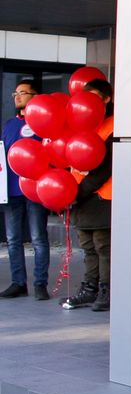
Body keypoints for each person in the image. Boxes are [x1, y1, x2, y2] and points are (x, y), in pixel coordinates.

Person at [61, 79, 115, 311]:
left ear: (106, 99)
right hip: (80, 198)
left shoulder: (114, 126)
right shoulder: (80, 125)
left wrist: (77, 193)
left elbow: (106, 168)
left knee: (103, 247)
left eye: (94, 96)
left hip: (102, 197)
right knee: (88, 247)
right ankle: (89, 289)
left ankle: (107, 290)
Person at [2, 80, 50, 300]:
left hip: (35, 190)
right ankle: (18, 282)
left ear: (35, 96)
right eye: (15, 93)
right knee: (13, 239)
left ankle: (40, 283)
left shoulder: (44, 124)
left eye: (23, 92)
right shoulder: (9, 125)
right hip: (11, 191)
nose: (17, 96)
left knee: (38, 238)